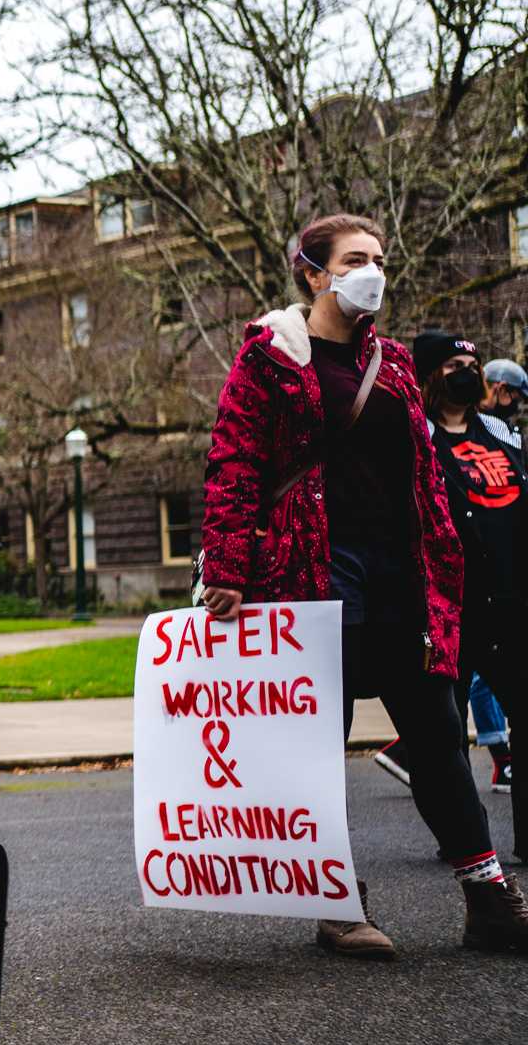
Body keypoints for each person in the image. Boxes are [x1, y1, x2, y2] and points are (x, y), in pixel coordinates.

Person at [199, 214, 528, 958]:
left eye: (379, 259)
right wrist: (225, 568)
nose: (372, 271)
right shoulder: (270, 360)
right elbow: (233, 466)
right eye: (355, 260)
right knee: (320, 745)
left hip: (398, 578)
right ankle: (335, 901)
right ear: (313, 273)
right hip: (309, 579)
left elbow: (421, 474)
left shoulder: (400, 365)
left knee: (439, 732)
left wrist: (449, 555)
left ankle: (488, 899)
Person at [407, 332, 523, 856]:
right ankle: (465, 842)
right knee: (446, 731)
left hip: (512, 596)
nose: (466, 372)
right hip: (450, 605)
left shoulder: (500, 431)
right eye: (453, 364)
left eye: (472, 363)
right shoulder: (417, 439)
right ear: (431, 374)